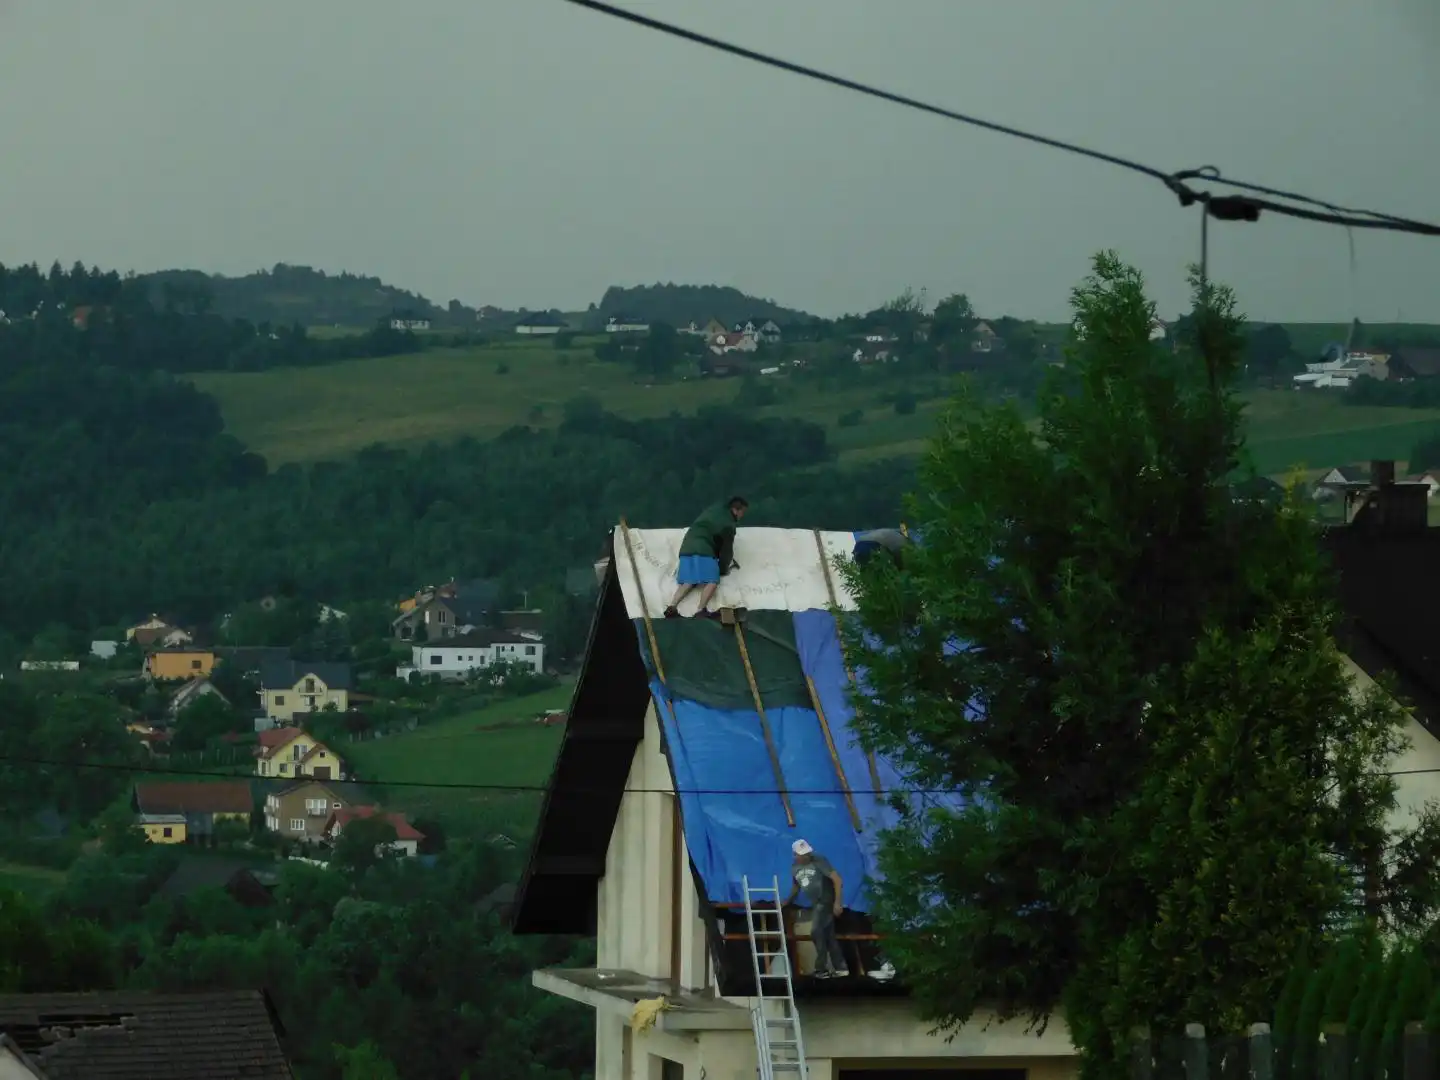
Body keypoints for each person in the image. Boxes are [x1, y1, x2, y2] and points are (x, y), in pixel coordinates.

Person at [663, 496, 748, 619]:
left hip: (687, 546)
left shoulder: (716, 508)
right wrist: (722, 569)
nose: (742, 516)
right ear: (736, 510)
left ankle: (671, 606)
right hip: (703, 549)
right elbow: (726, 551)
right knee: (712, 581)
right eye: (742, 512)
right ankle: (701, 610)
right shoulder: (729, 525)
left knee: (689, 581)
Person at [783, 838, 849, 979]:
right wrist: (787, 901)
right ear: (795, 855)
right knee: (829, 936)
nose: (805, 856)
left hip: (825, 901)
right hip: (815, 903)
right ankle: (841, 967)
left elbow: (837, 879)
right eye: (801, 854)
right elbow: (796, 887)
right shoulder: (795, 868)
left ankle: (821, 968)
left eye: (806, 853)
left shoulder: (819, 860)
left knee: (816, 931)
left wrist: (837, 902)